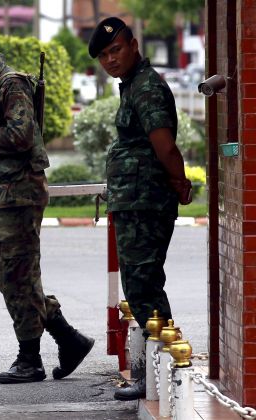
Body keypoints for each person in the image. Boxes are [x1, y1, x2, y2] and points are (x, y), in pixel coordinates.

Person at [0, 28, 95, 384]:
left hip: (21, 193)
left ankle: (30, 359)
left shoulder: (11, 85)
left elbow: (20, 137)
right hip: (4, 195)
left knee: (17, 275)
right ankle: (67, 337)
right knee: (5, 274)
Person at [88, 17, 193, 400]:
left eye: (115, 50)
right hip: (136, 200)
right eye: (103, 55)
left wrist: (180, 183)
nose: (110, 59)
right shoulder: (132, 85)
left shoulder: (146, 87)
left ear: (133, 45)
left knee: (144, 284)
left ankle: (160, 373)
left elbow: (164, 145)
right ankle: (153, 371)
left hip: (147, 201)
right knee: (139, 283)